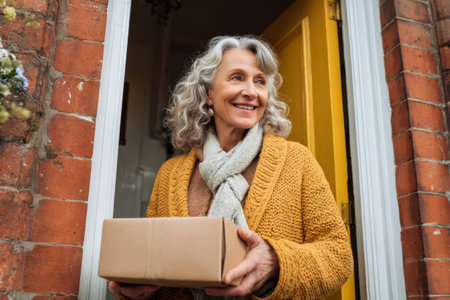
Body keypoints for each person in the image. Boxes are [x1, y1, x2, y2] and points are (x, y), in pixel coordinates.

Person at [109, 35, 353, 300]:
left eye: (259, 81)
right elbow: (156, 264)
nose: (251, 91)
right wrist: (141, 290)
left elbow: (338, 257)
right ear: (208, 94)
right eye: (237, 77)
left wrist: (276, 263)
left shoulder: (297, 160)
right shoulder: (170, 174)